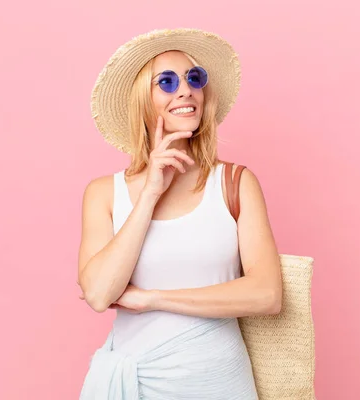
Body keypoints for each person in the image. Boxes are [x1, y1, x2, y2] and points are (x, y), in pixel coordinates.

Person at [77, 28, 282, 400]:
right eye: (167, 82)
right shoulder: (104, 193)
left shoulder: (235, 183)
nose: (185, 90)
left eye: (194, 78)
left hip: (218, 382)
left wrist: (155, 298)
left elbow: (267, 294)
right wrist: (150, 194)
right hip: (135, 386)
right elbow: (98, 293)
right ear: (144, 101)